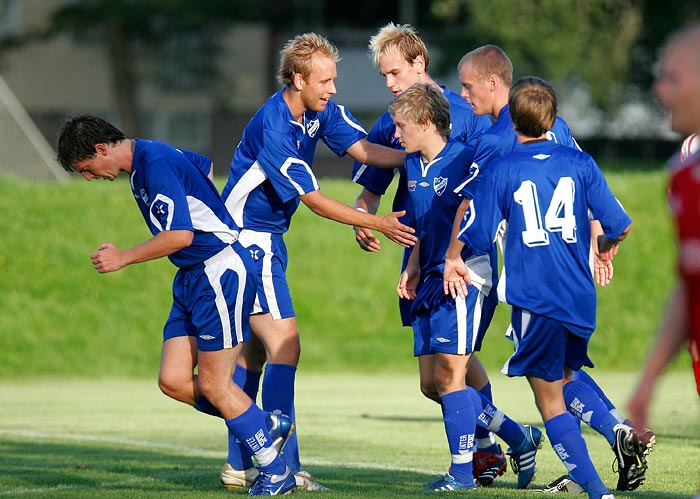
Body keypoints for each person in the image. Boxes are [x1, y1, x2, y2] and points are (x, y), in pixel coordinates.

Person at [449, 44, 655, 492]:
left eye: (467, 86)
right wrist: (601, 244)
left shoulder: (501, 162)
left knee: (550, 401)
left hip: (534, 291)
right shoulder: (578, 159)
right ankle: (617, 428)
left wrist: (453, 259)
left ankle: (597, 491)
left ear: (512, 117)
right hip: (579, 292)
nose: (464, 94)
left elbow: (477, 232)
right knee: (566, 376)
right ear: (552, 118)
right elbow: (620, 223)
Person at [56, 115, 297, 496]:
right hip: (190, 278)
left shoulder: (155, 163)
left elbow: (180, 235)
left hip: (218, 272)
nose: (89, 177)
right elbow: (203, 166)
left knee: (218, 386)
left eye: (86, 169)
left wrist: (124, 257)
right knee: (173, 380)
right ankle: (263, 424)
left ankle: (275, 471)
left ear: (101, 149)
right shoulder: (147, 158)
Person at [218, 32, 417, 491]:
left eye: (334, 80)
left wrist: (420, 157)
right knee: (286, 345)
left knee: (253, 352)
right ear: (297, 79)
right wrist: (381, 222)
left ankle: (238, 461)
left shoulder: (321, 110)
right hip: (248, 240)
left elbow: (365, 150)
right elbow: (314, 199)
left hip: (263, 239)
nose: (331, 89)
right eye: (324, 81)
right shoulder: (274, 127)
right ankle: (281, 466)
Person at [350, 23, 512, 486]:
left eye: (395, 71)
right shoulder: (391, 121)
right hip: (420, 257)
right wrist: (366, 218)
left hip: (464, 258)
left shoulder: (469, 111)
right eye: (383, 75)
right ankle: (505, 438)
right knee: (433, 380)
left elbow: (486, 186)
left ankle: (474, 458)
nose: (389, 83)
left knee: (452, 367)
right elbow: (371, 191)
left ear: (420, 62)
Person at [391, 83, 544, 492]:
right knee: (431, 384)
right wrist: (413, 265)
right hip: (431, 275)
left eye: (402, 125)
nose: (397, 133)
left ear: (426, 123)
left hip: (466, 274)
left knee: (450, 376)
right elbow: (424, 224)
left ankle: (461, 474)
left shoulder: (462, 159)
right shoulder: (411, 165)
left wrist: (454, 261)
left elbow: (472, 210)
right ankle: (517, 435)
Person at [628, 24, 700, 429]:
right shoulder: (683, 174)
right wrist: (649, 380)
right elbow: (690, 284)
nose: (659, 91)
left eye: (674, 78)